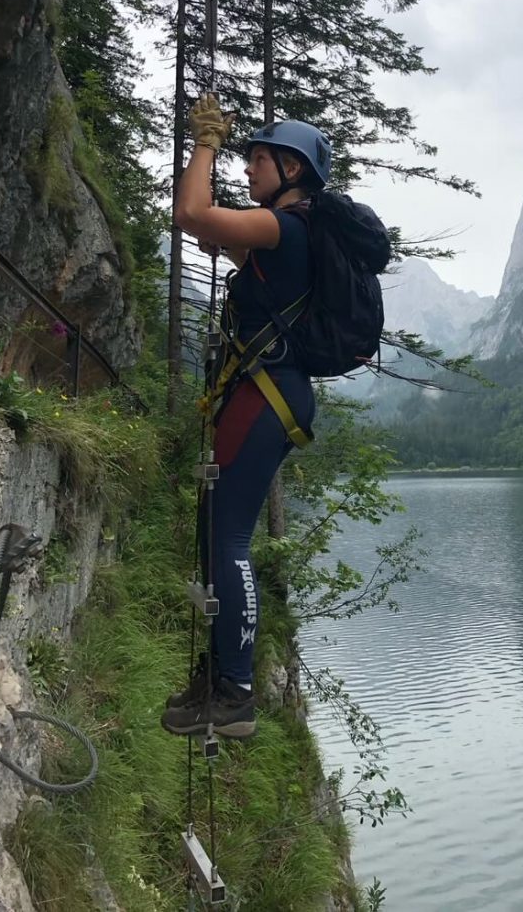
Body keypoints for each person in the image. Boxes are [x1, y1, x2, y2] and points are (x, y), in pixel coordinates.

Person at [161, 92, 331, 740]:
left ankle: (234, 691)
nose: (251, 165)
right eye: (250, 154)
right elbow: (216, 234)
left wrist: (206, 137)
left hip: (265, 395)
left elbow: (190, 212)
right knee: (217, 530)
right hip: (269, 394)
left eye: (265, 158)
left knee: (228, 537)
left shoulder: (283, 227)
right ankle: (221, 676)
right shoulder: (285, 240)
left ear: (295, 172)